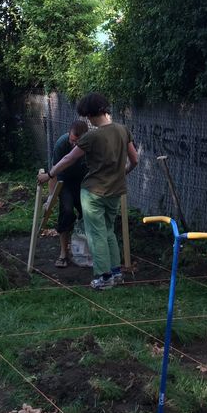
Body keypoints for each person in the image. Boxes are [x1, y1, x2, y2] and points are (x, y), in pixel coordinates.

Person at [37, 93, 139, 290]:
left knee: (96, 235)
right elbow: (134, 160)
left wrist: (49, 174)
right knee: (109, 231)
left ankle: (104, 277)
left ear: (90, 114)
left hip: (93, 193)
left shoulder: (93, 136)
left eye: (87, 116)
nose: (87, 120)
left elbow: (68, 159)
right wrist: (123, 172)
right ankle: (116, 273)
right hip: (115, 191)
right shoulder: (123, 130)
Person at [47, 119, 89, 268]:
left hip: (84, 181)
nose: (74, 144)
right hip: (64, 181)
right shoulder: (61, 144)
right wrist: (51, 198)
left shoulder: (91, 144)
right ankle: (63, 253)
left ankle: (86, 251)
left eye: (78, 142)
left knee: (88, 213)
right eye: (72, 140)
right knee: (66, 211)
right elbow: (53, 172)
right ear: (69, 134)